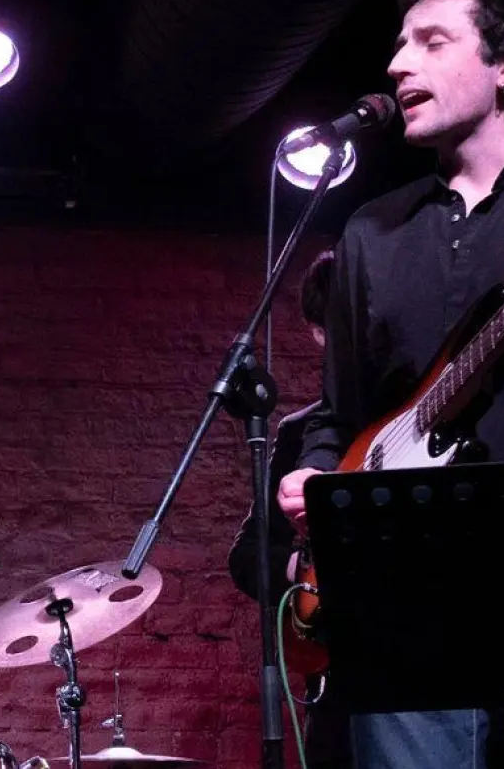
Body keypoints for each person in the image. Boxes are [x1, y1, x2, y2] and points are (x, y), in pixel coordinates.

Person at [277, 0, 504, 768]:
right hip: (404, 614)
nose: (396, 64)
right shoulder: (370, 230)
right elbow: (340, 413)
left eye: (431, 41)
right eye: (397, 46)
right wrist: (314, 477)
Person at [226, 248, 349, 769]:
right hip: (336, 674)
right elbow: (247, 556)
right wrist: (303, 570)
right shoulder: (301, 431)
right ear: (318, 335)